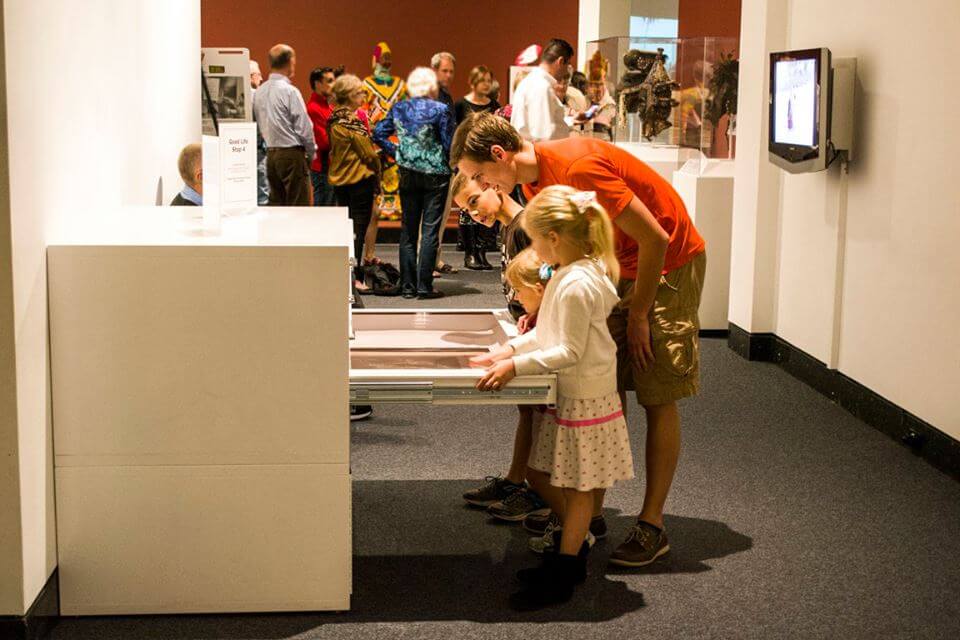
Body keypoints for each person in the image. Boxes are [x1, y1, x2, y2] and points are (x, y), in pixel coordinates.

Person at [451, 112, 707, 569]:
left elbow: (655, 238)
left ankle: (652, 524)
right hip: (613, 271)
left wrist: (641, 313)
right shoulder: (532, 184)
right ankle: (591, 514)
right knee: (601, 382)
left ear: (498, 156)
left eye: (478, 176)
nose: (482, 186)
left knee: (657, 391)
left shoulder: (576, 167)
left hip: (664, 267)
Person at [472, 186, 633, 610]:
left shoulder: (578, 283)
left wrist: (514, 366)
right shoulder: (567, 274)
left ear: (554, 239)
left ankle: (566, 567)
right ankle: (571, 549)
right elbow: (547, 335)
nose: (533, 247)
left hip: (587, 397)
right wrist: (508, 350)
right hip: (573, 394)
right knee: (548, 476)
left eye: (535, 238)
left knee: (577, 489)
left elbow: (569, 350)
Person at [372, 67, 453, 300]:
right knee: (429, 231)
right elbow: (448, 144)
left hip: (407, 172)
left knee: (408, 231)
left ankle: (407, 286)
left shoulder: (400, 108)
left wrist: (396, 151)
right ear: (431, 87)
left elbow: (378, 133)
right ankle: (424, 286)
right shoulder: (441, 109)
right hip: (435, 174)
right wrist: (450, 164)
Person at [327, 74, 381, 294]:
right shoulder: (352, 123)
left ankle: (347, 274)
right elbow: (368, 153)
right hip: (359, 180)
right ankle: (354, 277)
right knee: (358, 229)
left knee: (348, 229)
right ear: (349, 96)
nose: (363, 96)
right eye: (359, 92)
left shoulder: (334, 119)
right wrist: (378, 165)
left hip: (340, 180)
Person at [252, 44, 316, 206]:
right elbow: (304, 127)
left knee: (276, 206)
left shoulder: (259, 92)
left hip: (271, 156)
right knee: (298, 205)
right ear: (290, 62)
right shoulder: (290, 91)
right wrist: (310, 153)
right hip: (291, 154)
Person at [454, 65, 501, 271]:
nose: (486, 85)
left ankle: (482, 250)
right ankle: (470, 252)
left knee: (485, 202)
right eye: (483, 80)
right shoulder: (460, 105)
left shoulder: (495, 105)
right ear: (473, 82)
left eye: (489, 80)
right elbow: (456, 134)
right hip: (466, 160)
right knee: (468, 206)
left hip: (487, 161)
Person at [510, 38, 581, 142]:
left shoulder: (532, 81)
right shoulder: (541, 86)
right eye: (567, 65)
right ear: (560, 61)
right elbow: (542, 134)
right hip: (540, 153)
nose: (566, 71)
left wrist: (571, 120)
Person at [307, 66, 338, 206]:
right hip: (323, 169)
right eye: (330, 81)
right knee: (324, 212)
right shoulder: (313, 108)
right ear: (318, 84)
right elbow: (325, 142)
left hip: (331, 167)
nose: (334, 85)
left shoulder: (329, 107)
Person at [249, 60, 270, 205]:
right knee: (262, 197)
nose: (261, 79)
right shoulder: (259, 97)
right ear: (251, 76)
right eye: (259, 75)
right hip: (258, 153)